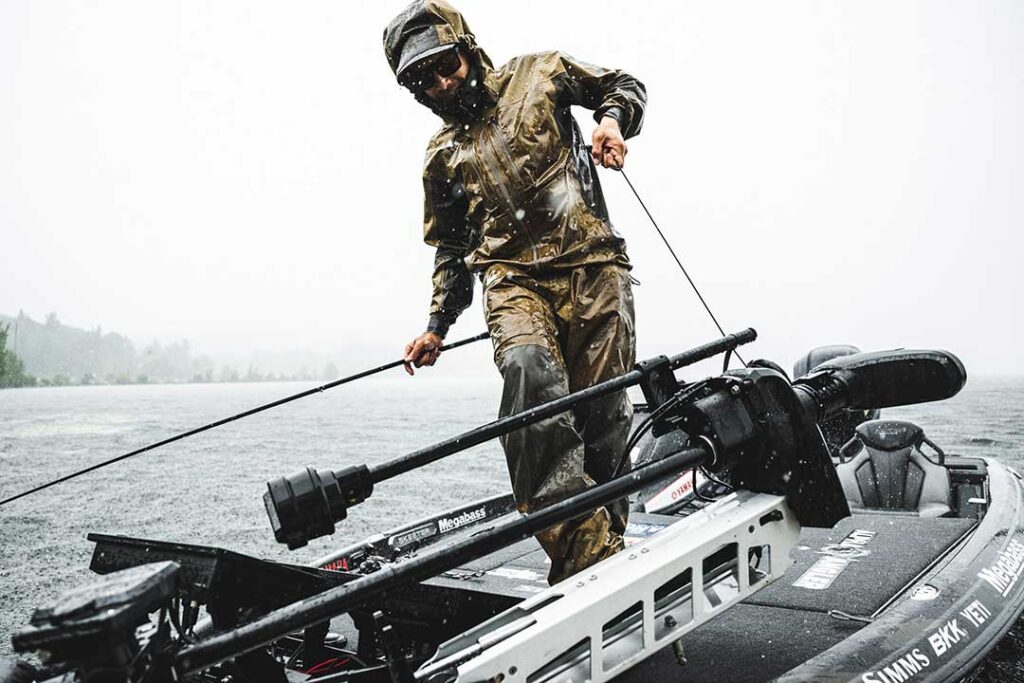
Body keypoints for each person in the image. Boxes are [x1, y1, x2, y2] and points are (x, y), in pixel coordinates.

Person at [384, 0, 646, 584]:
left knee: (603, 410)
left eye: (445, 64)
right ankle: (586, 553)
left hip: (594, 265)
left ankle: (608, 542)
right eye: (422, 80)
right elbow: (452, 249)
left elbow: (621, 85)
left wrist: (611, 122)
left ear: (466, 47)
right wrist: (437, 324)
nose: (441, 82)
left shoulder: (541, 73)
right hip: (511, 280)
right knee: (528, 372)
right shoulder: (440, 158)